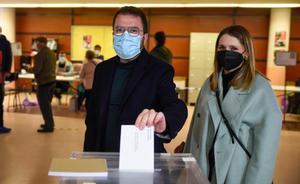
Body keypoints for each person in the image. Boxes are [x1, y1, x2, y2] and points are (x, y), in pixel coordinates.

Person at [184, 25, 282, 184]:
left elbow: (266, 150)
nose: (226, 52)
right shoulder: (209, 84)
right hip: (205, 167)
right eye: (221, 47)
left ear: (246, 53)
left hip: (237, 172)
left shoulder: (260, 89)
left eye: (233, 48)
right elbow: (194, 130)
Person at [84, 6, 187, 153]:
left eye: (133, 31)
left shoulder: (159, 70)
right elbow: (92, 118)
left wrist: (164, 120)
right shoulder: (102, 69)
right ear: (113, 35)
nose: (125, 35)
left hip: (139, 157)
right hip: (103, 155)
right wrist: (88, 157)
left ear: (144, 38)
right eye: (119, 30)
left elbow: (175, 106)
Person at [33, 37, 56, 133]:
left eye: (37, 43)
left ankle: (49, 126)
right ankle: (49, 123)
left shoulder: (40, 54)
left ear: (41, 43)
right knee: (47, 105)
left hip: (44, 83)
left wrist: (29, 69)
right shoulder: (52, 53)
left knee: (44, 105)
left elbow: (37, 70)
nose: (36, 45)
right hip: (52, 81)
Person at [0, 27, 12, 134]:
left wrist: (6, 71)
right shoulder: (5, 43)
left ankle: (0, 125)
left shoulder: (4, 43)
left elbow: (8, 58)